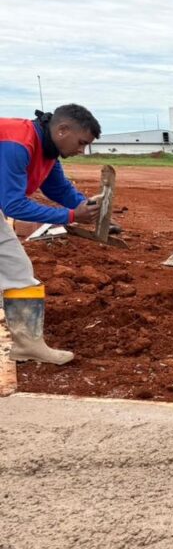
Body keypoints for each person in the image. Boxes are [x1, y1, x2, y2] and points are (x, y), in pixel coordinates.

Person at [0, 105, 102, 364]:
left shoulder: (47, 150)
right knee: (15, 269)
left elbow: (59, 189)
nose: (82, 150)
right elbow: (13, 205)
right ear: (62, 130)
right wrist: (70, 216)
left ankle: (27, 346)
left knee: (17, 270)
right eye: (81, 143)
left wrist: (89, 209)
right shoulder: (17, 143)